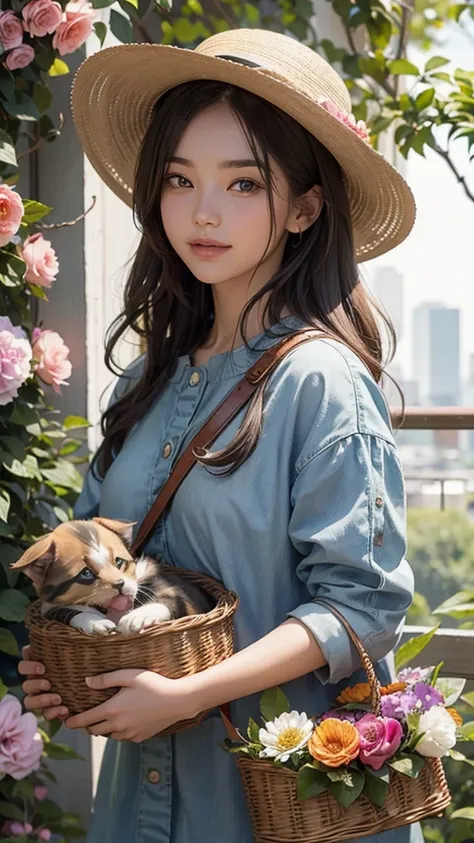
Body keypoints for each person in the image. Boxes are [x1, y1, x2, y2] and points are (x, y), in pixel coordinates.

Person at [18, 27, 421, 843]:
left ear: (306, 207)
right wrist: (60, 665)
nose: (202, 211)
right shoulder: (143, 383)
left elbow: (364, 606)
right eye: (179, 178)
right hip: (143, 804)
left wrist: (193, 691)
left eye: (244, 182)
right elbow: (86, 555)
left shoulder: (323, 382)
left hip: (280, 802)